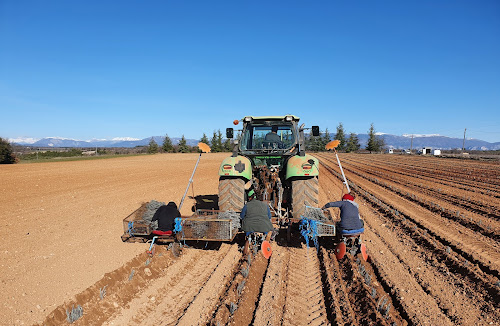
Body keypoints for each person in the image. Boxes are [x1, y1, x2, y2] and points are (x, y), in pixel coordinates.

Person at [240, 189, 274, 254]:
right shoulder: (265, 205)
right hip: (264, 228)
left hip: (249, 228)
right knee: (267, 232)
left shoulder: (247, 205)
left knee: (248, 230)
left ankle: (248, 241)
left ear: (251, 197)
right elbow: (269, 217)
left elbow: (242, 216)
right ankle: (264, 241)